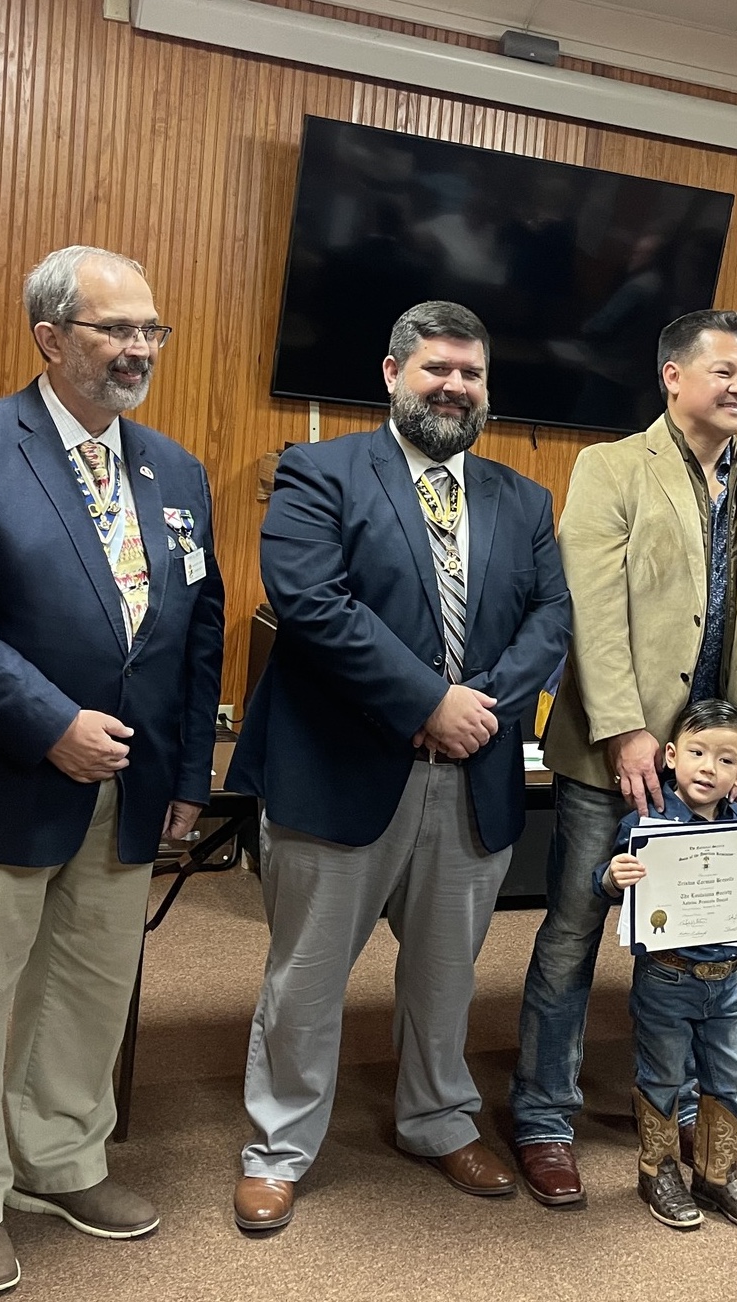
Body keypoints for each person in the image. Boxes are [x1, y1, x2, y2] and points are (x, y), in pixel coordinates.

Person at [0, 244, 224, 1294]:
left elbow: (195, 628)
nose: (138, 350)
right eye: (117, 329)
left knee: (86, 990)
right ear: (51, 338)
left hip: (129, 791)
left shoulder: (177, 471)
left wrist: (185, 777)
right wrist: (49, 724)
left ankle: (63, 1157)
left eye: (150, 330)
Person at [227, 301, 571, 1234]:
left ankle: (437, 1117)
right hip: (338, 771)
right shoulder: (317, 472)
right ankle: (278, 1148)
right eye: (436, 370)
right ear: (391, 375)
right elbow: (309, 601)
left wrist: (478, 708)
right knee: (305, 978)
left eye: (470, 374)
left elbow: (551, 619)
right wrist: (427, 703)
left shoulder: (523, 498)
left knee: (443, 974)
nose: (454, 387)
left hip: (473, 775)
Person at [509, 309, 737, 1207]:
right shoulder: (609, 467)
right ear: (672, 376)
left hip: (720, 769)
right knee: (573, 932)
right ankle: (543, 1115)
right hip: (619, 757)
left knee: (702, 936)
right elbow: (587, 604)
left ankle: (676, 1105)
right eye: (724, 371)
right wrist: (622, 726)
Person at [594, 699, 737, 1233]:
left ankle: (717, 1174)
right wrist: (615, 876)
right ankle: (657, 1171)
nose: (709, 768)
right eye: (698, 753)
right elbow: (604, 884)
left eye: (726, 760)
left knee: (727, 1077)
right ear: (673, 756)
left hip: (726, 982)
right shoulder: (647, 824)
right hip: (666, 976)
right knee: (661, 1078)